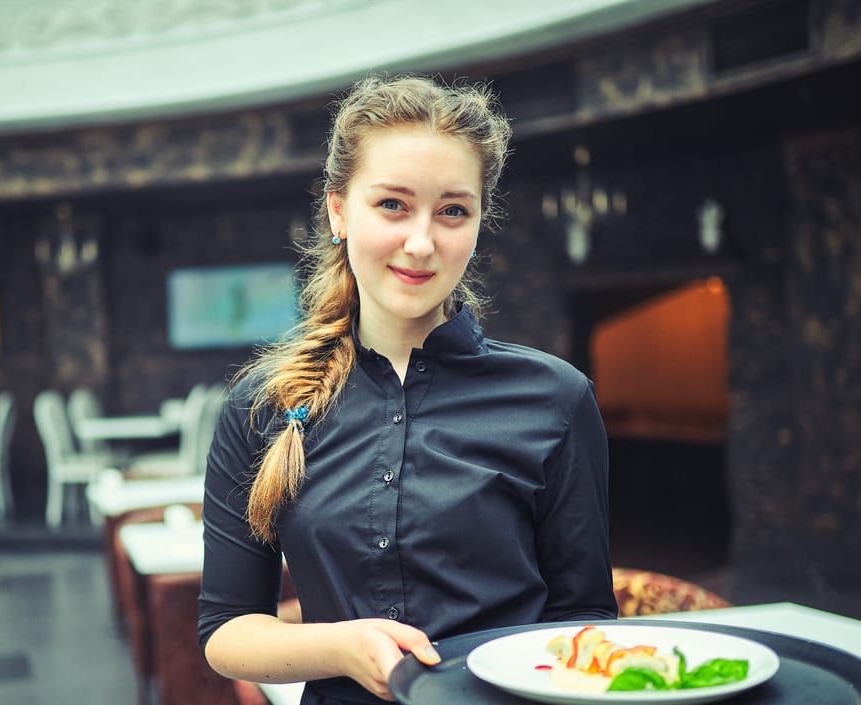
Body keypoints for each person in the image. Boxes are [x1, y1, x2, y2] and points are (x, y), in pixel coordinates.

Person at [197, 74, 617, 705]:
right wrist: (339, 646)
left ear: (478, 224)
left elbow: (584, 621)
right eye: (392, 205)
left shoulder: (556, 399)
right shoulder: (261, 407)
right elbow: (226, 630)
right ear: (339, 211)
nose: (421, 244)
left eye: (453, 211)